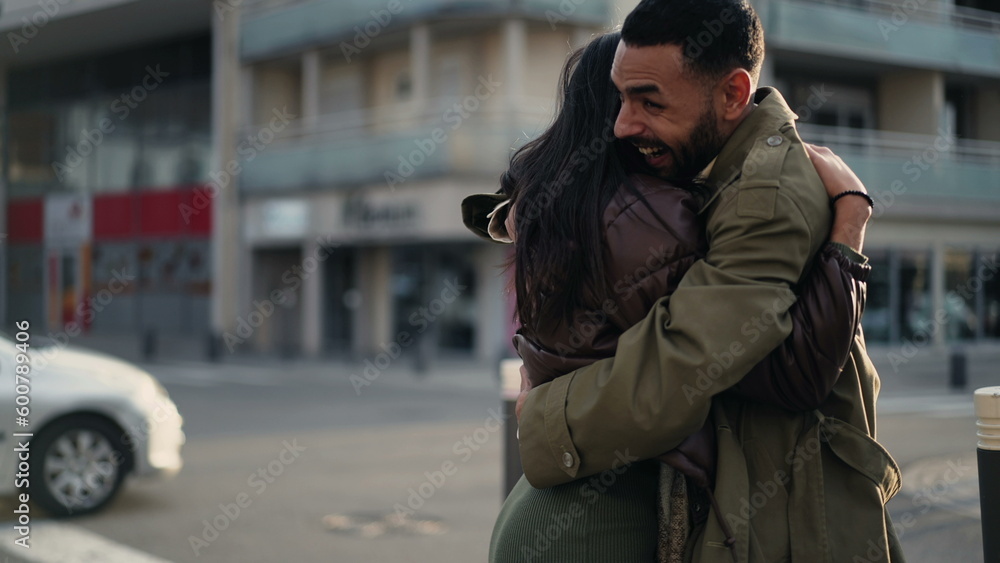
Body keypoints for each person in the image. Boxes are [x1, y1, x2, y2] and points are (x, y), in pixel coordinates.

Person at [463, 1, 904, 562]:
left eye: (649, 101)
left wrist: (545, 414)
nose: (623, 125)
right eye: (620, 99)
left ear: (732, 95)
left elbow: (698, 364)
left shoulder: (756, 195)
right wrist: (848, 235)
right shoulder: (684, 198)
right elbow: (720, 361)